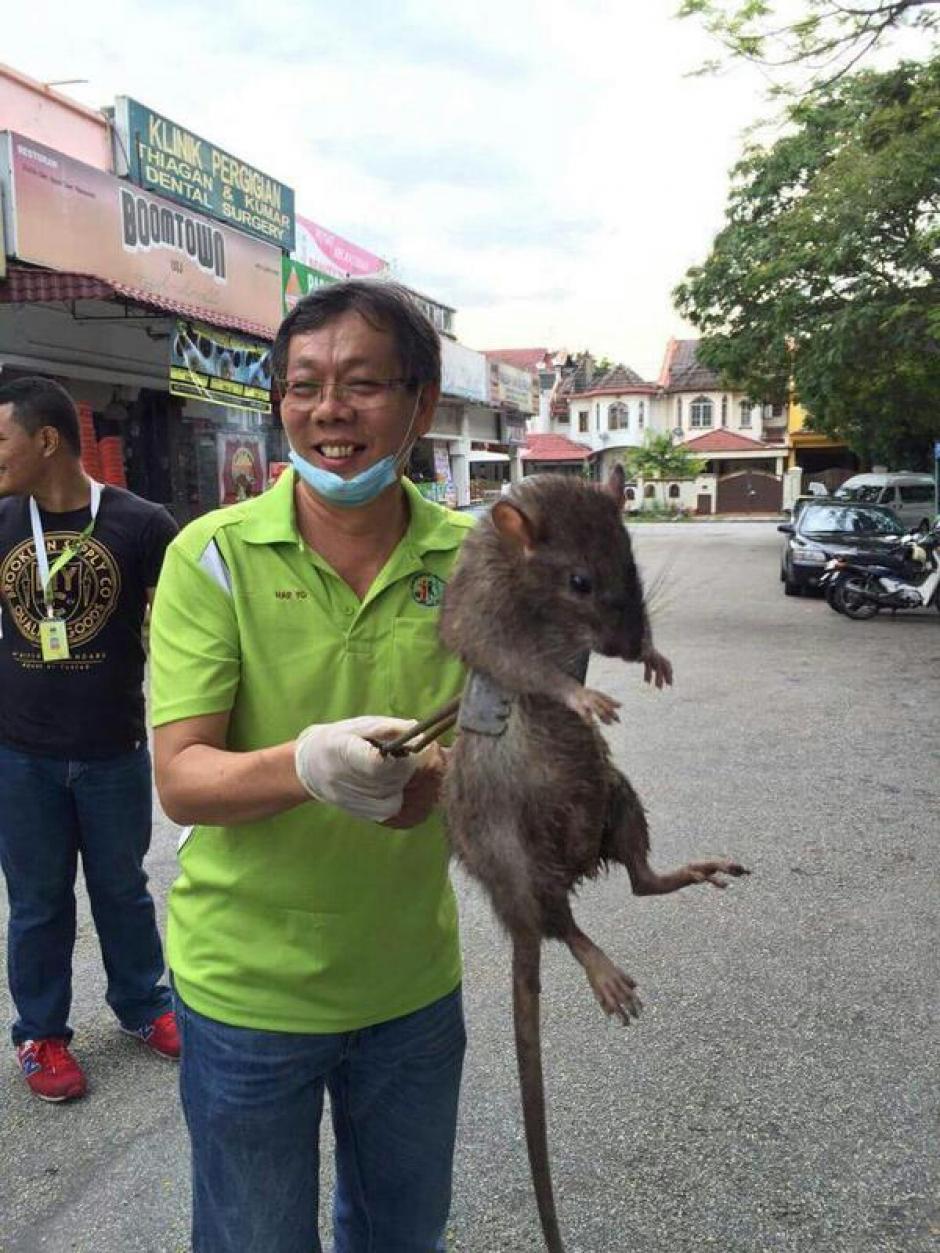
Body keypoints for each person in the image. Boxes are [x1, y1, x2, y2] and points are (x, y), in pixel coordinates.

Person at [149, 281, 475, 1253]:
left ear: (420, 405)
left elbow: (517, 752)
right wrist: (307, 762)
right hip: (246, 989)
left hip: (409, 983)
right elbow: (181, 777)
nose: (329, 411)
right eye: (304, 385)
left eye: (362, 383)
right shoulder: (211, 556)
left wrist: (439, 786)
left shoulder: (479, 562)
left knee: (401, 1236)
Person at [0, 377, 180, 1104]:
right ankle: (41, 1033)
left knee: (122, 889)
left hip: (113, 749)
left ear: (46, 441)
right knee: (38, 901)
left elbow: (181, 634)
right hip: (19, 755)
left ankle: (144, 1004)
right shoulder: (2, 521)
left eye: (1, 440)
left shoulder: (141, 524)